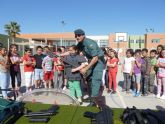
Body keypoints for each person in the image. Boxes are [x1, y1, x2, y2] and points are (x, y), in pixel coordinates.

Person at [74, 29, 105, 107]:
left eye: (79, 35)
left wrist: (85, 68)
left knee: (95, 81)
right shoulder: (80, 43)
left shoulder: (90, 43)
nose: (77, 37)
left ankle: (95, 102)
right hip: (91, 61)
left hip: (98, 62)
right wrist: (61, 55)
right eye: (76, 35)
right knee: (88, 79)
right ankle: (92, 98)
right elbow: (74, 50)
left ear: (83, 35)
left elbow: (95, 58)